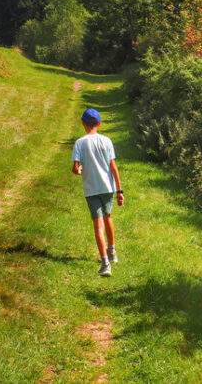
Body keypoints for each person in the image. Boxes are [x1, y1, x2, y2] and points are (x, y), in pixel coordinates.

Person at [71, 108, 123, 277]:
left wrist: (80, 171)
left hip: (91, 189)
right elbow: (113, 167)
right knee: (108, 218)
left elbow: (75, 168)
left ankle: (105, 263)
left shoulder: (80, 143)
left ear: (83, 124)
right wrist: (119, 190)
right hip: (108, 187)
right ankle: (112, 252)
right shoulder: (106, 141)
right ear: (99, 124)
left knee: (97, 224)